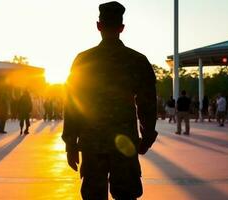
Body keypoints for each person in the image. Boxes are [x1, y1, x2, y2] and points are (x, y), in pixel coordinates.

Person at [62, 2, 158, 199]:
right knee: (126, 194)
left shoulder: (83, 60)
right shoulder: (137, 61)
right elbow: (147, 103)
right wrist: (147, 136)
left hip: (92, 143)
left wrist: (70, 143)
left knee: (93, 194)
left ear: (99, 26)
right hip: (124, 143)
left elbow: (72, 104)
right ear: (122, 28)